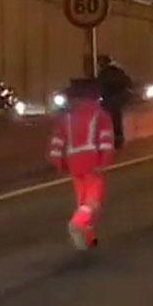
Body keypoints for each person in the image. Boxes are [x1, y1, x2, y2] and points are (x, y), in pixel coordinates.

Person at [49, 79, 116, 249]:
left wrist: (58, 162)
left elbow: (57, 141)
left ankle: (89, 238)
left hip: (73, 162)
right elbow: (106, 141)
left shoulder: (68, 117)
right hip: (91, 159)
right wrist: (103, 162)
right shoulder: (100, 114)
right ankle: (77, 224)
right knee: (93, 200)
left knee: (82, 201)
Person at [96, 55, 133, 150]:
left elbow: (100, 86)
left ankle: (108, 141)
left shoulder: (105, 73)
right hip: (118, 98)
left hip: (110, 99)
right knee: (116, 119)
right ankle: (118, 141)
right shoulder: (118, 71)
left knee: (109, 120)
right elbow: (128, 82)